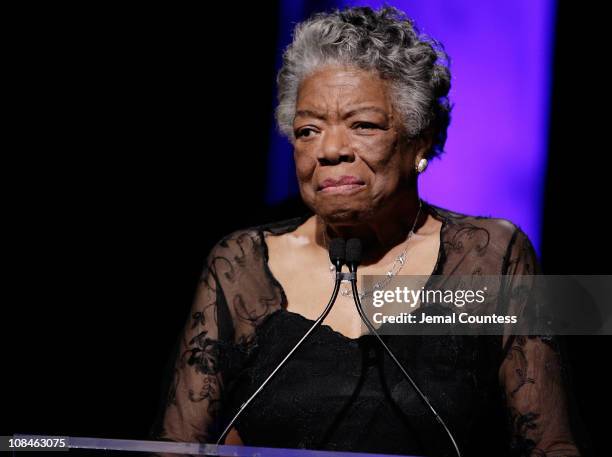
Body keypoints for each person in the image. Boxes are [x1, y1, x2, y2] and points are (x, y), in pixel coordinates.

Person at [153, 6, 581, 456]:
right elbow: (178, 446)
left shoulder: (490, 257)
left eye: (363, 125)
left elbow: (550, 444)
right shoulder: (239, 266)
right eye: (308, 130)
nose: (330, 150)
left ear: (422, 139)